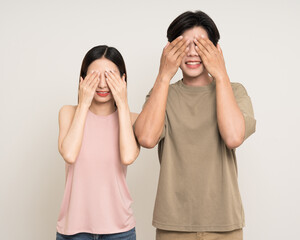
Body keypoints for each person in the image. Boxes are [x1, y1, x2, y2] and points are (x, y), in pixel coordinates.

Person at [134, 10, 256, 240]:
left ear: (216, 50)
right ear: (170, 50)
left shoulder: (235, 91)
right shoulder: (162, 95)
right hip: (173, 224)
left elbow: (233, 137)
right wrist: (163, 75)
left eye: (200, 45)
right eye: (183, 45)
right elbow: (146, 138)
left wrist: (221, 75)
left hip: (225, 224)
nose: (191, 53)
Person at [56, 45, 139, 240]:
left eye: (110, 76)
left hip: (120, 230)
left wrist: (123, 103)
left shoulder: (133, 119)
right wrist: (84, 103)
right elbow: (69, 154)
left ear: (122, 80)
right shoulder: (68, 113)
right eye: (95, 77)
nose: (102, 84)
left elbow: (127, 157)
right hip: (73, 230)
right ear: (83, 80)